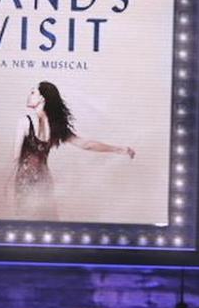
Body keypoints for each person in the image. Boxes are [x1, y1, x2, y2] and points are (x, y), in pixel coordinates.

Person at [12, 82, 135, 217]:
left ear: (42, 99)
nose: (29, 95)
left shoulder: (24, 122)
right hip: (44, 181)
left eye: (33, 92)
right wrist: (120, 149)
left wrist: (10, 182)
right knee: (46, 222)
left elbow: (16, 158)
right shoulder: (56, 127)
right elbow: (86, 144)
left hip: (25, 180)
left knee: (27, 224)